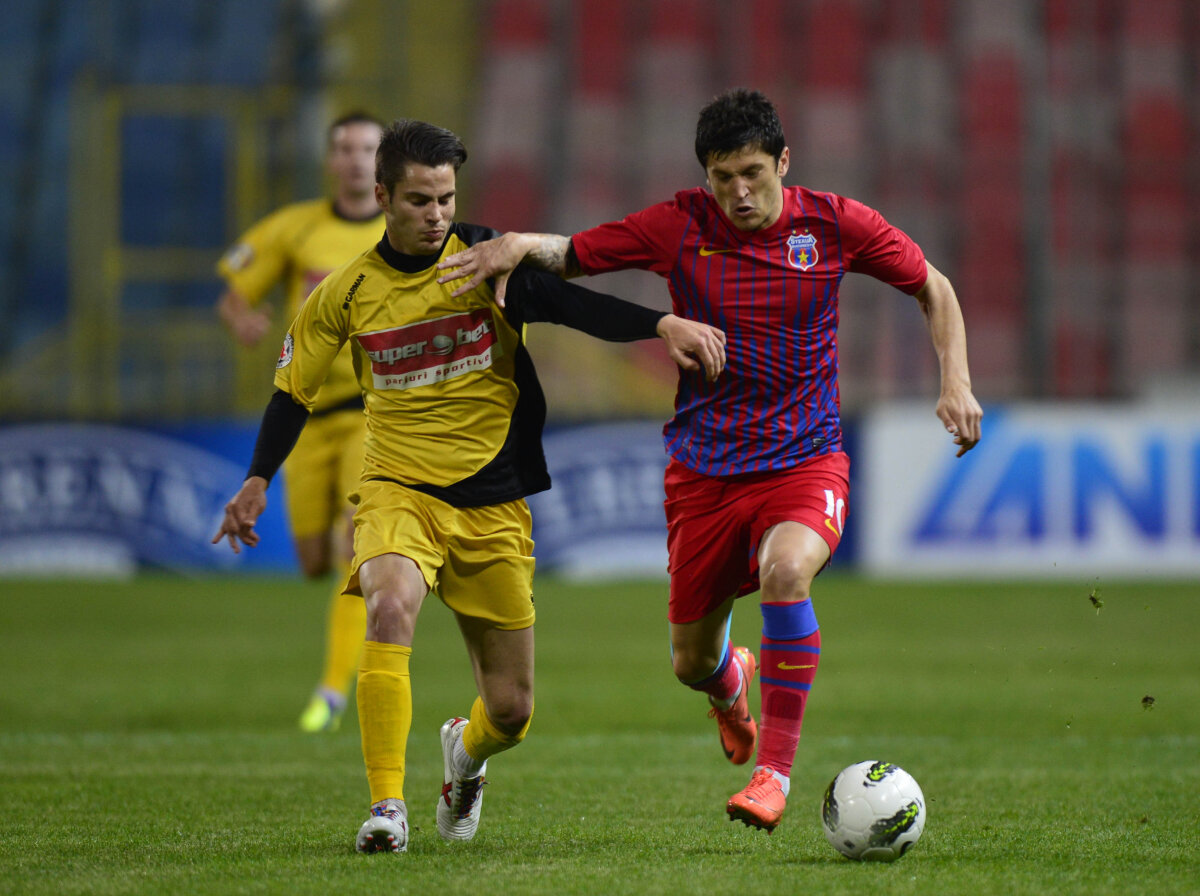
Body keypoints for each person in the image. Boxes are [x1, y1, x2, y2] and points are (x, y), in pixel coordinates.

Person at [436, 87, 983, 833]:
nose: (739, 191)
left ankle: (774, 776)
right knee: (691, 662)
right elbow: (573, 255)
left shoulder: (835, 225)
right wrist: (513, 245)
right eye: (722, 177)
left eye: (753, 172)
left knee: (788, 571)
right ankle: (732, 682)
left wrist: (955, 380)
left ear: (784, 161)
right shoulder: (679, 225)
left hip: (804, 460)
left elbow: (933, 287)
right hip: (703, 474)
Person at [212, 118, 727, 853]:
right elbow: (292, 392)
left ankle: (465, 756)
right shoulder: (346, 293)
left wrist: (661, 324)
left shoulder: (486, 262)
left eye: (447, 199)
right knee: (387, 605)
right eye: (420, 200)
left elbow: (570, 305)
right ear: (384, 196)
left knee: (512, 711)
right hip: (399, 489)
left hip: (491, 501)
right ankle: (388, 807)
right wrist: (258, 478)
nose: (437, 216)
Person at [215, 112, 384, 733]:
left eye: (368, 147)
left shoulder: (401, 231)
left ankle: (332, 693)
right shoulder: (297, 227)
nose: (356, 159)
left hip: (372, 416)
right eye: (344, 147)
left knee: (352, 549)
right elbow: (236, 288)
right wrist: (242, 320)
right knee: (313, 559)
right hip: (304, 419)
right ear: (329, 159)